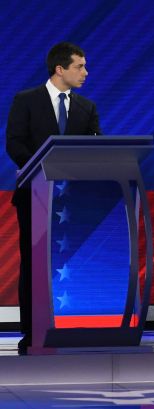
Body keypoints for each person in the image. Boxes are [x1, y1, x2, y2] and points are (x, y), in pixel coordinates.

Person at [5, 42, 101, 353]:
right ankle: (31, 331)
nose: (85, 73)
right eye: (80, 66)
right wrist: (42, 172)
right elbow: (15, 144)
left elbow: (95, 145)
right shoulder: (26, 101)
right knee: (34, 263)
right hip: (36, 196)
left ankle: (72, 325)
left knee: (72, 263)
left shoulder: (87, 107)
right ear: (60, 69)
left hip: (74, 201)